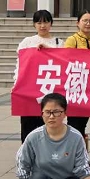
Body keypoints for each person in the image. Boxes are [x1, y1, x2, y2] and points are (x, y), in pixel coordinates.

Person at [14, 9, 62, 143]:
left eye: (46, 22)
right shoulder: (27, 42)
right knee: (28, 127)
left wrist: (49, 50)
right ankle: (27, 152)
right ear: (34, 24)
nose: (42, 26)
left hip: (50, 91)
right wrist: (16, 84)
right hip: (29, 91)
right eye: (39, 22)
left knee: (49, 126)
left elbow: (63, 62)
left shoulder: (58, 43)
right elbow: (20, 65)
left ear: (51, 23)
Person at [63, 10, 90, 141]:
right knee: (74, 122)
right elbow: (65, 59)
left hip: (89, 87)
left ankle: (79, 149)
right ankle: (72, 149)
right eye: (85, 20)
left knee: (83, 122)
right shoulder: (72, 40)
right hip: (75, 86)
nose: (88, 23)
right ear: (78, 23)